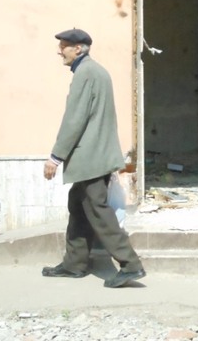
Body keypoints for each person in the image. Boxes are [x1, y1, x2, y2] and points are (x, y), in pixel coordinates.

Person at [42, 28, 146, 288]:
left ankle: (130, 264)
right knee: (78, 207)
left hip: (90, 157)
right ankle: (74, 264)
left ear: (78, 48)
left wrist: (55, 157)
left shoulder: (85, 73)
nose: (59, 51)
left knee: (97, 211)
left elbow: (74, 119)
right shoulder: (96, 71)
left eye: (64, 46)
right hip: (96, 155)